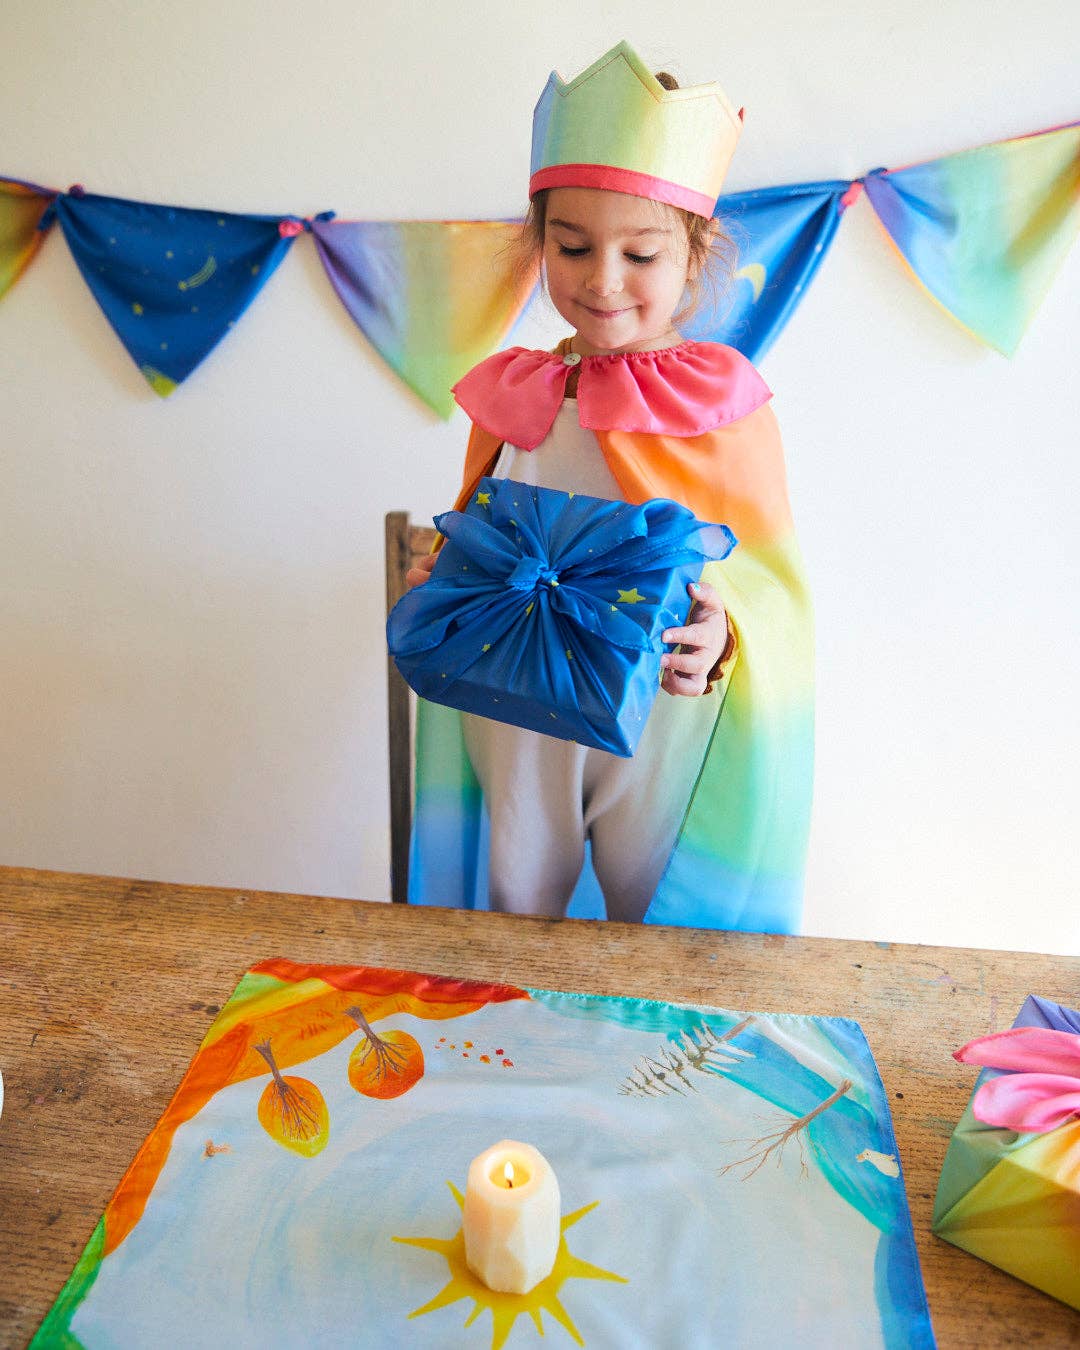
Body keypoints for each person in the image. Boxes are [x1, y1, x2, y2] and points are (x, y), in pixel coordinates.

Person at [403, 41, 814, 932]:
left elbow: (772, 585)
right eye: (573, 245)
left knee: (658, 921)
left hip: (660, 715)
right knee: (513, 904)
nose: (602, 280)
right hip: (518, 707)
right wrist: (447, 573)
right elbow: (486, 526)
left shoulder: (720, 404)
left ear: (694, 257)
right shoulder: (515, 388)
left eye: (641, 254)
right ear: (537, 242)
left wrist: (725, 629)